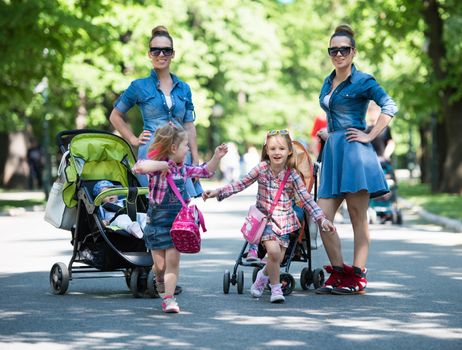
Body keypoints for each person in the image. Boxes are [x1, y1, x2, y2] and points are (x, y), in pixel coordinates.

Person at [203, 130, 337, 303]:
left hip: (285, 222)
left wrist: (322, 219)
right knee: (273, 252)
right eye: (272, 148)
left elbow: (306, 199)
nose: (277, 152)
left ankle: (262, 277)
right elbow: (240, 184)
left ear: (289, 151)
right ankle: (275, 289)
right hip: (265, 220)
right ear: (267, 150)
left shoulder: (293, 175)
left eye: (281, 148)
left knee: (277, 258)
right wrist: (217, 192)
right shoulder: (262, 169)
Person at [315, 24, 398, 295]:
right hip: (333, 152)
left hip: (354, 153)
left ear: (353, 51)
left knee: (356, 216)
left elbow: (389, 106)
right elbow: (333, 111)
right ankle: (340, 273)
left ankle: (358, 277)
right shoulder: (328, 81)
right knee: (321, 216)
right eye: (333, 50)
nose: (338, 54)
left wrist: (371, 134)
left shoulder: (363, 81)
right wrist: (331, 131)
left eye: (344, 49)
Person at [133, 123, 228, 313]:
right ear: (174, 148)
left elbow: (205, 172)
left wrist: (216, 157)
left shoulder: (183, 169)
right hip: (157, 223)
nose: (187, 150)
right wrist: (162, 165)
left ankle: (169, 299)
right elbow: (139, 167)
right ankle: (158, 278)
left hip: (178, 225)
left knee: (173, 262)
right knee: (159, 266)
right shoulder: (156, 168)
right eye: (185, 146)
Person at [109, 25, 202, 197]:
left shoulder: (184, 88)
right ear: (149, 54)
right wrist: (133, 139)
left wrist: (195, 157)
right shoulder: (139, 86)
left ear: (173, 54)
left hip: (181, 156)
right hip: (152, 156)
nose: (161, 55)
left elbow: (189, 125)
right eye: (156, 50)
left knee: (180, 208)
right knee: (157, 208)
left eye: (166, 51)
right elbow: (115, 116)